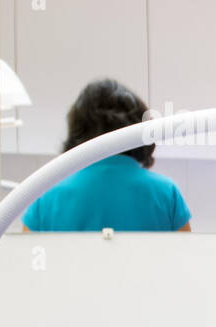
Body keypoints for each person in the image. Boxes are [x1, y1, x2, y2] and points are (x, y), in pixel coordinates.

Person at [22, 78, 191, 233]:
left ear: (77, 131)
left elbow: (26, 263)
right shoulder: (166, 194)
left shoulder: (46, 197)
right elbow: (187, 260)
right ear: (140, 129)